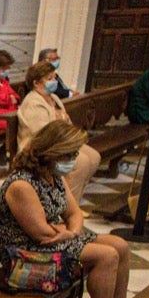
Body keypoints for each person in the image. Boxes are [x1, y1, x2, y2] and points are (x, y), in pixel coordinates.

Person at [0, 123, 132, 298]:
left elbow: (74, 213)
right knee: (107, 256)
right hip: (25, 254)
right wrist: (67, 231)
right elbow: (42, 234)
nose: (73, 160)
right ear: (51, 152)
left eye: (74, 154)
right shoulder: (21, 184)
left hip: (57, 240)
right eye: (68, 155)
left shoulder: (53, 176)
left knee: (121, 245)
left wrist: (71, 232)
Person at [16, 60, 101, 202]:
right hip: (39, 147)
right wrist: (60, 121)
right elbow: (44, 135)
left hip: (60, 142)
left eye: (54, 78)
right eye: (49, 79)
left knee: (94, 157)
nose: (54, 81)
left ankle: (74, 201)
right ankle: (63, 205)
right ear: (36, 83)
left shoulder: (54, 98)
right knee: (81, 163)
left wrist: (62, 123)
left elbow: (66, 123)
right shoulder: (33, 103)